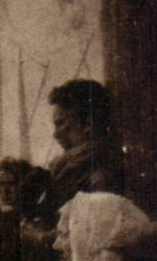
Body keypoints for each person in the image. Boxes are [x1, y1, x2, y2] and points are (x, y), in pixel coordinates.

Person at [37, 79, 125, 226]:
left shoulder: (98, 174)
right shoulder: (67, 168)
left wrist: (36, 236)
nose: (55, 134)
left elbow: (92, 232)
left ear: (88, 124)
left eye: (61, 123)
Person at [0, 157, 56, 261]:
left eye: (11, 184)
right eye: (1, 184)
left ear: (25, 185)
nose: (5, 190)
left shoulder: (42, 217)